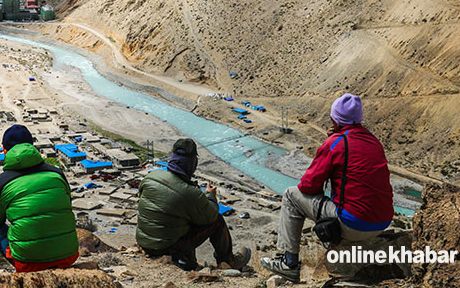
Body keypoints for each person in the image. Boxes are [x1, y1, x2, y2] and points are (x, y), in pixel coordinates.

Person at [260, 93, 394, 282]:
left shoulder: (336, 143)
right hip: (382, 221)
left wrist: (329, 144)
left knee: (291, 195)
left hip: (354, 223)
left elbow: (307, 185)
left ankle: (289, 263)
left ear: (336, 119)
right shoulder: (373, 141)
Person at [0, 124, 79, 272]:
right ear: (31, 147)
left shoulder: (0, 183)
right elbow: (65, 204)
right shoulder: (57, 173)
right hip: (69, 256)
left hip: (28, 263)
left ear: (4, 150)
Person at [135, 138, 251, 271]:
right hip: (166, 247)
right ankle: (228, 261)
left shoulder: (151, 176)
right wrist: (210, 196)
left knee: (181, 218)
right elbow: (211, 215)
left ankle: (191, 261)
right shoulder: (189, 192)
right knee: (217, 220)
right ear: (192, 164)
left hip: (144, 242)